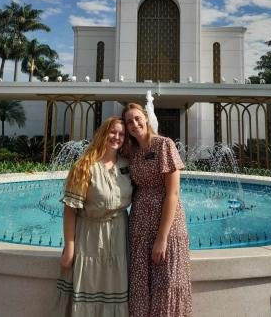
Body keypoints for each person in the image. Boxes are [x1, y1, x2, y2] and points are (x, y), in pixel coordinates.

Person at [56, 116, 132, 317]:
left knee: (116, 285)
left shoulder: (127, 164)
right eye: (113, 132)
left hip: (118, 237)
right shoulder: (84, 166)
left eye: (122, 134)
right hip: (90, 236)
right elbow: (70, 210)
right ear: (103, 133)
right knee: (89, 282)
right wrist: (69, 248)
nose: (117, 137)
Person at [122, 103, 192, 317]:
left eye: (137, 118)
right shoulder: (131, 152)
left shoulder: (164, 145)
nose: (134, 124)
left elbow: (172, 194)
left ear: (145, 117)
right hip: (139, 227)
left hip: (167, 228)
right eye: (129, 122)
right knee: (141, 284)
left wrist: (162, 238)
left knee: (168, 282)